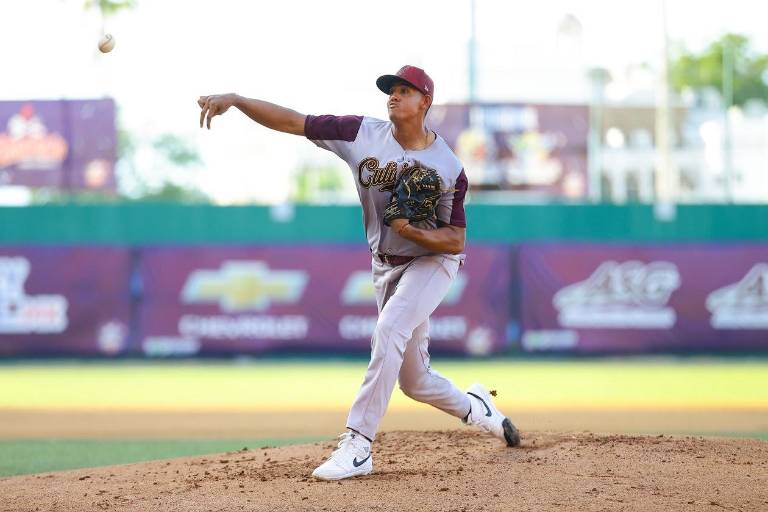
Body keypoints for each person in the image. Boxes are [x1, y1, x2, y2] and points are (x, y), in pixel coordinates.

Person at [198, 65, 520, 481]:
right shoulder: (360, 134)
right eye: (390, 90)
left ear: (425, 102)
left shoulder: (449, 167)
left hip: (432, 262)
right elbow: (295, 122)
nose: (393, 96)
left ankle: (358, 444)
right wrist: (238, 101)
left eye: (405, 91)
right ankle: (478, 408)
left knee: (388, 332)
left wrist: (410, 229)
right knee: (415, 381)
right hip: (385, 264)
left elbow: (456, 240)